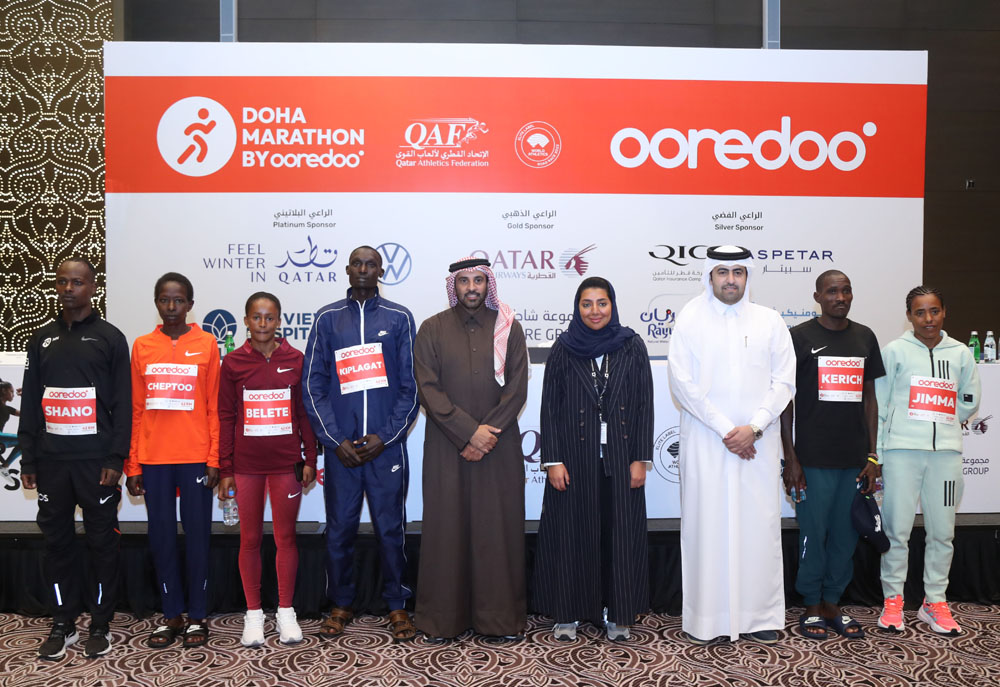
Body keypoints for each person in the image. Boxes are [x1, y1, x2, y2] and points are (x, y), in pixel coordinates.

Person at [668, 245, 795, 644]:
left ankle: (760, 618)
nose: (730, 279)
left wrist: (753, 428)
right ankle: (709, 620)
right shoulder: (690, 318)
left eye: (738, 272)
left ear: (748, 276)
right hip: (708, 444)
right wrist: (727, 429)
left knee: (758, 528)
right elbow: (681, 382)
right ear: (709, 275)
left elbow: (785, 381)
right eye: (722, 272)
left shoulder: (769, 321)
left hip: (756, 446)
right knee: (707, 527)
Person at [302, 246, 419, 641]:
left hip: (385, 449)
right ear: (348, 270)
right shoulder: (327, 318)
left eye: (371, 264)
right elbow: (312, 385)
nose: (364, 269)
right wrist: (335, 440)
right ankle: (341, 602)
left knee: (391, 529)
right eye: (357, 263)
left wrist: (385, 436)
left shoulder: (400, 317)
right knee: (339, 529)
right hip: (343, 452)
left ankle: (397, 604)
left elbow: (411, 386)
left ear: (380, 270)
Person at [18, 257, 131, 659]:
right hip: (51, 464)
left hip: (96, 463)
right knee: (57, 545)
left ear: (92, 286)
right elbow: (30, 401)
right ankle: (63, 621)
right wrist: (28, 459)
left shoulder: (110, 338)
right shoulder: (42, 339)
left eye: (77, 282)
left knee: (102, 544)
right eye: (63, 281)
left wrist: (116, 459)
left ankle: (100, 623)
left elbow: (123, 404)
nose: (69, 288)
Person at [413, 257, 529, 641]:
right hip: (448, 449)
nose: (472, 287)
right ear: (454, 285)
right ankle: (442, 621)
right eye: (464, 281)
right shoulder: (432, 329)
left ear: (488, 283)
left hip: (499, 448)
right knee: (447, 530)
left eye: (479, 279)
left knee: (496, 532)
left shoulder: (509, 328)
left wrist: (486, 435)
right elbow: (428, 390)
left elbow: (517, 389)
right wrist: (467, 434)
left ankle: (499, 620)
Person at [533, 277, 653, 642]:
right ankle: (567, 613)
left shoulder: (631, 346)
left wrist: (640, 459)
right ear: (577, 307)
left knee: (619, 534)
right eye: (587, 304)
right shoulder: (564, 348)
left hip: (620, 458)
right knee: (571, 534)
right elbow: (549, 409)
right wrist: (552, 460)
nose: (595, 311)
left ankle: (618, 614)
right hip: (572, 459)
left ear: (612, 305)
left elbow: (644, 404)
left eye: (602, 303)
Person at [780, 270, 884, 640]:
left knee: (845, 536)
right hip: (812, 460)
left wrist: (872, 456)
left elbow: (870, 400)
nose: (840, 297)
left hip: (854, 460)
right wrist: (790, 458)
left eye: (846, 290)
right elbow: (785, 402)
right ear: (818, 296)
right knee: (813, 533)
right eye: (832, 291)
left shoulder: (865, 337)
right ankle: (810, 604)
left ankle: (832, 602)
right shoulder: (799, 338)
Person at [875, 286, 980, 635]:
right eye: (920, 312)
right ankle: (894, 602)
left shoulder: (961, 353)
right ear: (909, 316)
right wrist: (877, 452)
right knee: (897, 532)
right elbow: (880, 405)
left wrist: (944, 422)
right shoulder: (894, 352)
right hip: (902, 454)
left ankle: (934, 601)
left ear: (944, 312)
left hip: (945, 456)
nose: (928, 319)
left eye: (934, 311)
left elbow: (969, 399)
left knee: (942, 533)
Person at [125, 272, 220, 649]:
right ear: (156, 303)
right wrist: (133, 464)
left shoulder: (207, 344)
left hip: (196, 456)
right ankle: (171, 614)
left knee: (198, 538)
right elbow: (136, 409)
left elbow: (214, 406)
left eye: (179, 300)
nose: (172, 307)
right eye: (165, 300)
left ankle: (197, 615)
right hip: (154, 458)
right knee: (161, 538)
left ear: (191, 304)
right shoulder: (143, 346)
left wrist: (214, 458)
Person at [218, 292, 318, 647]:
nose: (263, 324)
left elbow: (304, 414)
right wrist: (225, 468)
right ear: (245, 320)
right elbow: (226, 418)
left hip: (285, 465)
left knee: (285, 538)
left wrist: (310, 459)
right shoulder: (232, 363)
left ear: (279, 321)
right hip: (245, 467)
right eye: (256, 317)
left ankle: (286, 612)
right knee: (248, 540)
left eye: (270, 317)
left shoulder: (296, 359)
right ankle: (254, 614)